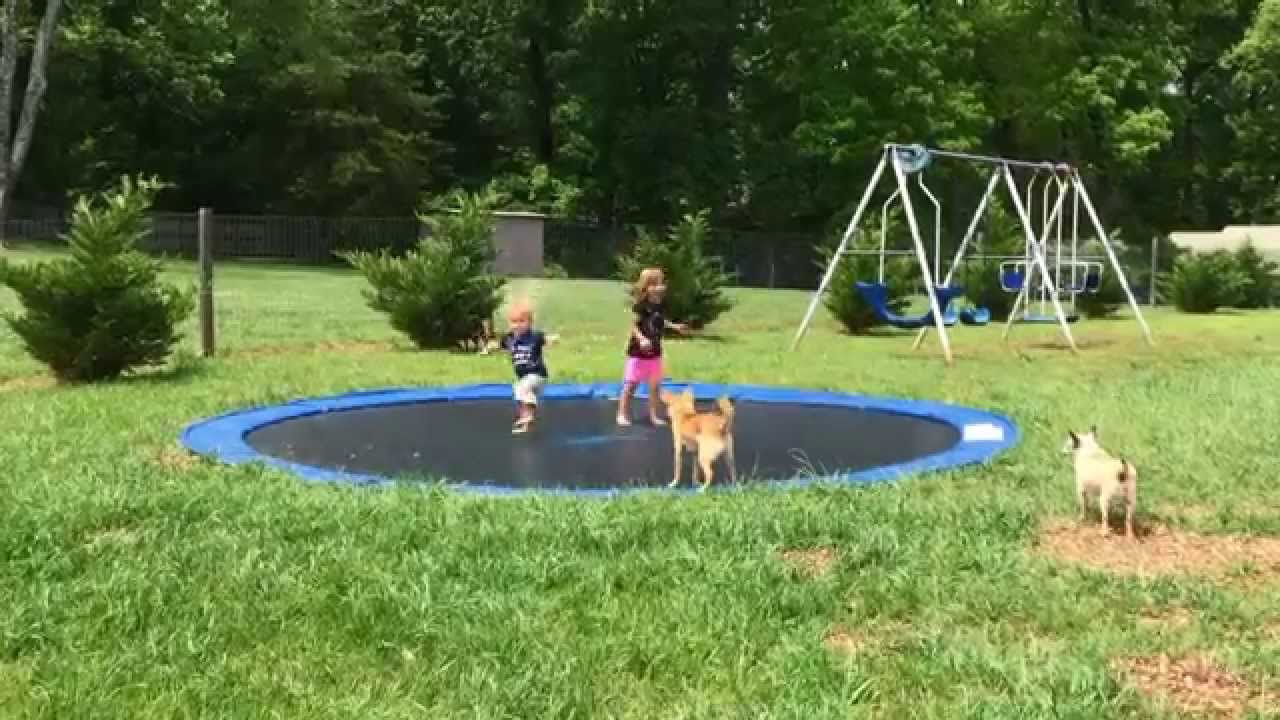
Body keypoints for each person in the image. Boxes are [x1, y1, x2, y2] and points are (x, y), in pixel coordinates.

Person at [616, 267, 687, 426]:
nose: (661, 287)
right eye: (656, 283)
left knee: (655, 386)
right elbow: (633, 325)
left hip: (654, 352)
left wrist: (674, 326)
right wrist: (641, 339)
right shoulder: (641, 305)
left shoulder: (659, 304)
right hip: (638, 353)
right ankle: (621, 413)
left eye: (661, 283)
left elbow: (660, 320)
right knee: (631, 384)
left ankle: (654, 415)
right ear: (647, 287)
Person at [492, 300, 557, 434]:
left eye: (522, 322)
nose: (517, 325)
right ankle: (526, 424)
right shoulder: (509, 338)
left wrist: (553, 339)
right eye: (514, 322)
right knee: (521, 399)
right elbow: (499, 345)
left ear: (529, 323)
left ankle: (528, 413)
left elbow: (545, 338)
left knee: (520, 388)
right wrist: (489, 348)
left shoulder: (534, 336)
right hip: (525, 377)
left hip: (537, 375)